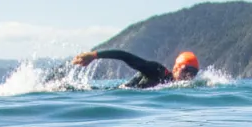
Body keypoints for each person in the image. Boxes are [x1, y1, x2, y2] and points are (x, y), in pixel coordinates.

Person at [71, 48, 200, 88]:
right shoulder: (157, 71)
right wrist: (94, 55)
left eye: (193, 72)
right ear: (176, 68)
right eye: (186, 69)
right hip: (117, 94)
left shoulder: (179, 88)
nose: (189, 75)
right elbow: (125, 56)